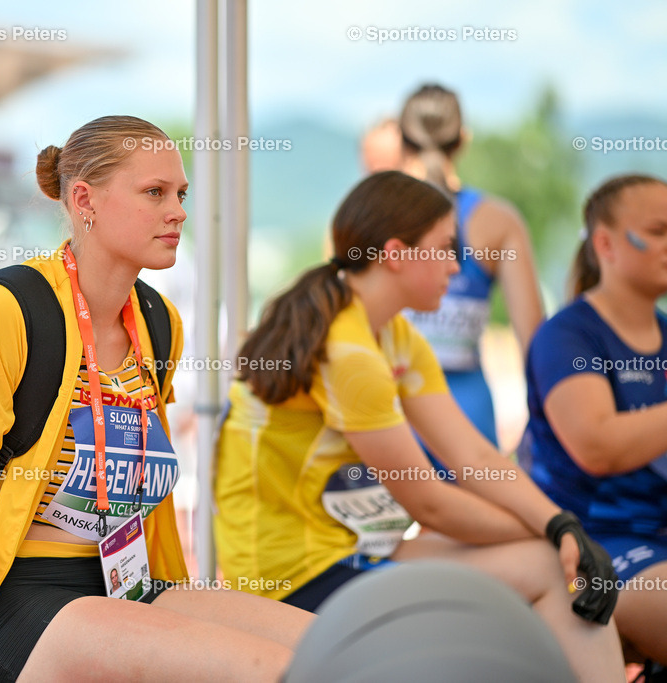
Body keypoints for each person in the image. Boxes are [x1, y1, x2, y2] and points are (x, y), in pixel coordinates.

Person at [0, 115, 313, 683]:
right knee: (268, 670)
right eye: (155, 192)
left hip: (127, 580)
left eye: (181, 194)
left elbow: (148, 494)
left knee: (329, 650)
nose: (179, 211)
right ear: (85, 199)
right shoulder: (2, 311)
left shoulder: (160, 322)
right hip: (15, 600)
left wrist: (179, 602)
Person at [214, 170, 625, 683]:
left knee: (551, 561)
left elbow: (474, 457)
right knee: (550, 566)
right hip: (295, 577)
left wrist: (561, 525)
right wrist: (558, 532)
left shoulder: (394, 333)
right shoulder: (351, 353)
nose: (457, 267)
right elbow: (428, 501)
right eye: (446, 249)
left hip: (353, 546)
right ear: (395, 253)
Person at [519, 174, 667, 669]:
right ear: (605, 243)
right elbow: (597, 446)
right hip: (597, 543)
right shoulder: (568, 337)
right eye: (659, 229)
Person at [398, 83, 544, 451]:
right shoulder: (499, 220)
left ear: (402, 139)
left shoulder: (372, 215)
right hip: (469, 422)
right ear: (463, 140)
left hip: (387, 420)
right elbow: (534, 341)